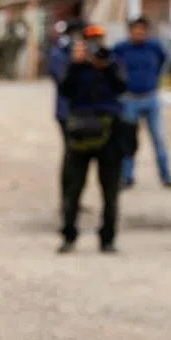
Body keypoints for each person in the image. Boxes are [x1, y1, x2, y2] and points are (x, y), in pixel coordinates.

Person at [57, 25, 128, 254]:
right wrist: (76, 66)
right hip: (80, 134)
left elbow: (122, 87)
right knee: (72, 189)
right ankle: (69, 235)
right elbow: (65, 91)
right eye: (90, 40)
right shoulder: (75, 66)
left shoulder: (113, 62)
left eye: (98, 39)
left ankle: (107, 238)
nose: (95, 45)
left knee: (110, 191)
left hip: (110, 135)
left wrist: (105, 67)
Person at [112, 16, 171, 189]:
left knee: (158, 139)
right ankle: (126, 177)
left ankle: (166, 176)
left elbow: (162, 62)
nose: (140, 33)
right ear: (130, 31)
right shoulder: (121, 49)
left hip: (151, 99)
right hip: (129, 100)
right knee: (128, 141)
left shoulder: (154, 47)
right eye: (136, 29)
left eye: (143, 30)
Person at [48, 19, 85, 142]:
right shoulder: (59, 53)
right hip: (68, 110)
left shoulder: (90, 53)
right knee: (72, 149)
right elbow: (63, 79)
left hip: (90, 111)